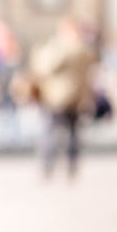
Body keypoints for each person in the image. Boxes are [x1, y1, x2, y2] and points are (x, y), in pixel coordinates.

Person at [29, 17, 95, 179]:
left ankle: (47, 166)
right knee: (72, 133)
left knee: (49, 132)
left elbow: (45, 68)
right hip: (76, 97)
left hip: (56, 96)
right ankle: (71, 166)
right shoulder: (84, 49)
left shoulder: (60, 49)